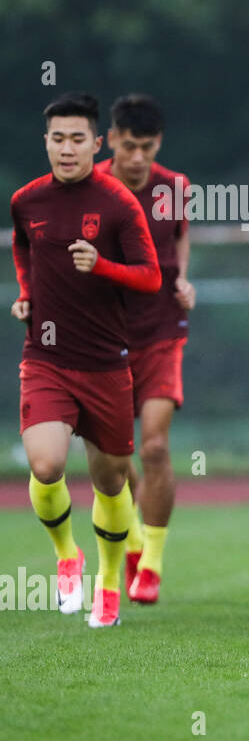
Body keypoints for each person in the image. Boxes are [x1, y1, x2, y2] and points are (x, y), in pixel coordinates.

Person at [11, 93, 161, 628]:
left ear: (97, 144)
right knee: (47, 465)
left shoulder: (119, 203)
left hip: (106, 364)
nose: (67, 148)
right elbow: (24, 248)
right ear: (46, 142)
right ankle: (66, 557)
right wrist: (28, 293)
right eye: (58, 138)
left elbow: (150, 277)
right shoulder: (26, 201)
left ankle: (109, 586)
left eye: (78, 139)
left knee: (111, 482)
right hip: (47, 357)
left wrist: (102, 266)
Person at [96, 94, 195, 604]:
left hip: (160, 329)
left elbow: (179, 238)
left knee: (154, 447)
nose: (138, 158)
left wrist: (183, 280)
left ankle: (151, 564)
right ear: (110, 140)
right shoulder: (87, 187)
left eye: (148, 148)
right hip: (98, 335)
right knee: (113, 458)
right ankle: (132, 539)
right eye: (129, 146)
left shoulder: (175, 189)